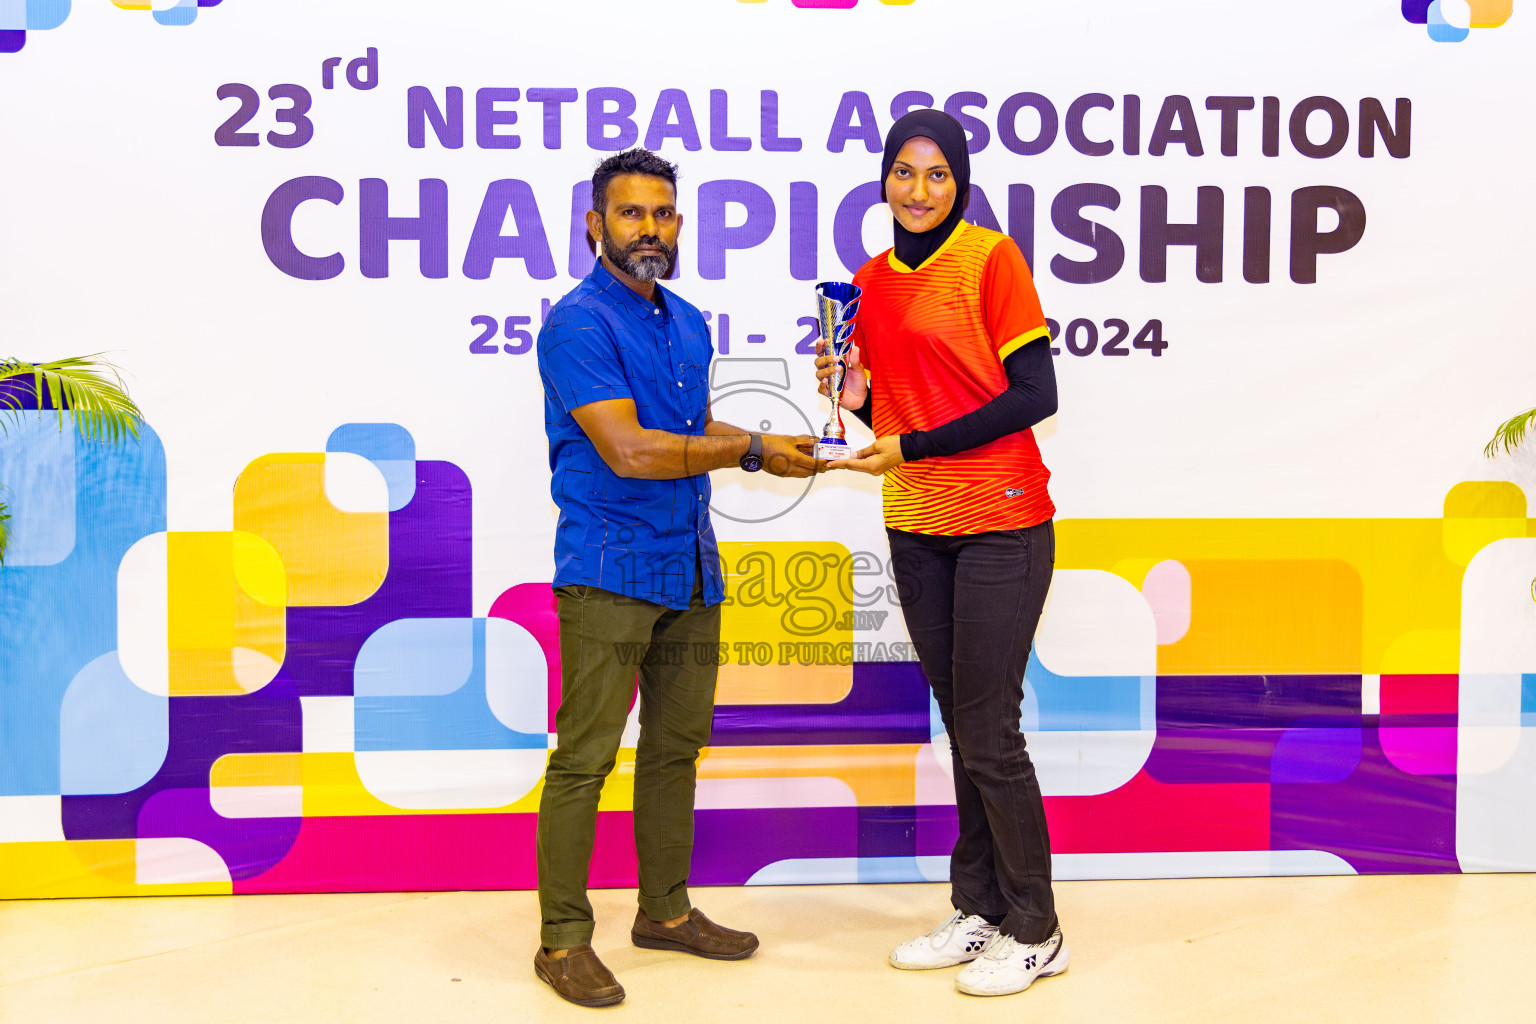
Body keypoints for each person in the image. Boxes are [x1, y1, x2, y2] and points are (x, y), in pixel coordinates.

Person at [534, 147, 819, 1008]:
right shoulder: (578, 324)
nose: (649, 230)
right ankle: (562, 940)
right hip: (609, 573)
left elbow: (686, 427)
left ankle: (663, 912)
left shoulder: (688, 320)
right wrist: (749, 448)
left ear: (679, 224)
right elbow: (627, 449)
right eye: (630, 214)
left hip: (690, 572)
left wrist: (773, 449)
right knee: (584, 760)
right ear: (594, 225)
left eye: (663, 214)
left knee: (673, 752)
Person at [817, 109, 1067, 998]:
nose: (919, 190)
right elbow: (888, 413)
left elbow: (1035, 392)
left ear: (959, 182)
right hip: (917, 523)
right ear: (882, 179)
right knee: (963, 726)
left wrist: (915, 445)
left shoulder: (991, 260)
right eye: (903, 173)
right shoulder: (868, 282)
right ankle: (980, 908)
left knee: (990, 729)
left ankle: (1036, 924)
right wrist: (849, 391)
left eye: (937, 174)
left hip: (1000, 519)